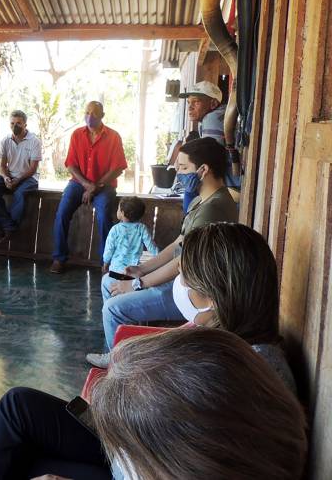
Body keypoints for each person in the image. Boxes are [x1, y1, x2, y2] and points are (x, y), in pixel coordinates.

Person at [0, 328, 307, 480]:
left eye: (127, 444)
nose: (119, 449)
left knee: (22, 461)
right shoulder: (257, 415)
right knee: (21, 432)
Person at [86, 137, 237, 367]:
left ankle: (120, 362)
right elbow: (178, 244)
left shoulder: (213, 209)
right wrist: (142, 269)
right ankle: (120, 346)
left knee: (112, 309)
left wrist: (139, 283)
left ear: (203, 170)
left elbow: (182, 263)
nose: (179, 174)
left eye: (184, 168)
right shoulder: (200, 202)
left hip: (192, 291)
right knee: (109, 281)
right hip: (179, 280)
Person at [174, 222, 296, 393]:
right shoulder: (238, 349)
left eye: (184, 277)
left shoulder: (243, 375)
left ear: (214, 297)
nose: (179, 283)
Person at [50, 101, 127, 274]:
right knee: (62, 213)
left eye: (94, 113)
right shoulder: (77, 134)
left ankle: (106, 262)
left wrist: (96, 187)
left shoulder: (113, 136)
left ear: (102, 116)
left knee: (104, 217)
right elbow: (70, 164)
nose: (89, 116)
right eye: (87, 112)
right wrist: (86, 185)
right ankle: (59, 258)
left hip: (104, 186)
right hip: (79, 184)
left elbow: (118, 168)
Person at [0, 110, 42, 242]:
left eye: (19, 123)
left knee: (20, 193)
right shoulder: (5, 141)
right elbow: (2, 166)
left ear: (25, 125)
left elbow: (32, 168)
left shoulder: (34, 141)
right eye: (12, 123)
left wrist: (18, 180)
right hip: (10, 175)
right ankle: (8, 225)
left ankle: (7, 227)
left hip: (29, 178)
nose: (15, 126)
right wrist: (6, 178)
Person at [101, 197, 158, 281]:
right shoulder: (141, 228)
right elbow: (152, 247)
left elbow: (109, 249)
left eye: (118, 209)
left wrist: (105, 263)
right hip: (133, 272)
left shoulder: (115, 229)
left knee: (112, 290)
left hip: (116, 271)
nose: (117, 211)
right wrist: (159, 259)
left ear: (122, 213)